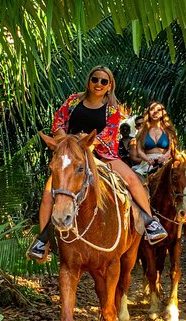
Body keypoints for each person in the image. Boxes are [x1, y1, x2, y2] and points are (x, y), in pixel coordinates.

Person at [27, 66, 168, 261]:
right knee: (48, 194)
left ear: (110, 85)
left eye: (104, 81)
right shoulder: (73, 100)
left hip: (102, 155)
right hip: (73, 155)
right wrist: (62, 137)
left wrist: (90, 141)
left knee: (131, 179)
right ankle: (43, 241)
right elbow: (59, 120)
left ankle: (150, 222)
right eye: (95, 79)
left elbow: (109, 134)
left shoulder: (112, 109)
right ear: (89, 81)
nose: (98, 84)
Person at [133, 101, 186, 237]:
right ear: (148, 112)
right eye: (152, 109)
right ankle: (137, 221)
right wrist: (147, 159)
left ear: (163, 113)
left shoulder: (168, 130)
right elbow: (139, 150)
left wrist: (164, 157)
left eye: (158, 110)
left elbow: (172, 149)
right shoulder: (142, 131)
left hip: (165, 161)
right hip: (147, 162)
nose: (155, 112)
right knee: (134, 184)